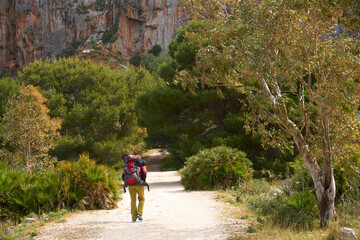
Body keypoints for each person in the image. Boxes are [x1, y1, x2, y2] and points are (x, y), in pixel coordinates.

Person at [122, 155, 148, 222]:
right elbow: (144, 173)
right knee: (141, 199)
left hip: (130, 185)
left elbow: (123, 175)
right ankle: (139, 213)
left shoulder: (127, 163)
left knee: (133, 201)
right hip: (139, 184)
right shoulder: (141, 162)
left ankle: (133, 218)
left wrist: (127, 182)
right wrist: (143, 181)